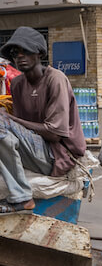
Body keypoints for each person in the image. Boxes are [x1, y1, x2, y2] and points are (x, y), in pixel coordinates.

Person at [0, 26, 86, 214]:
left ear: (39, 53)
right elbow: (16, 135)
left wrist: (10, 120)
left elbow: (54, 134)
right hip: (33, 149)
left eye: (25, 51)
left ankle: (22, 198)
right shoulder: (17, 84)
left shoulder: (56, 79)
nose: (20, 56)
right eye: (15, 53)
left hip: (56, 154)